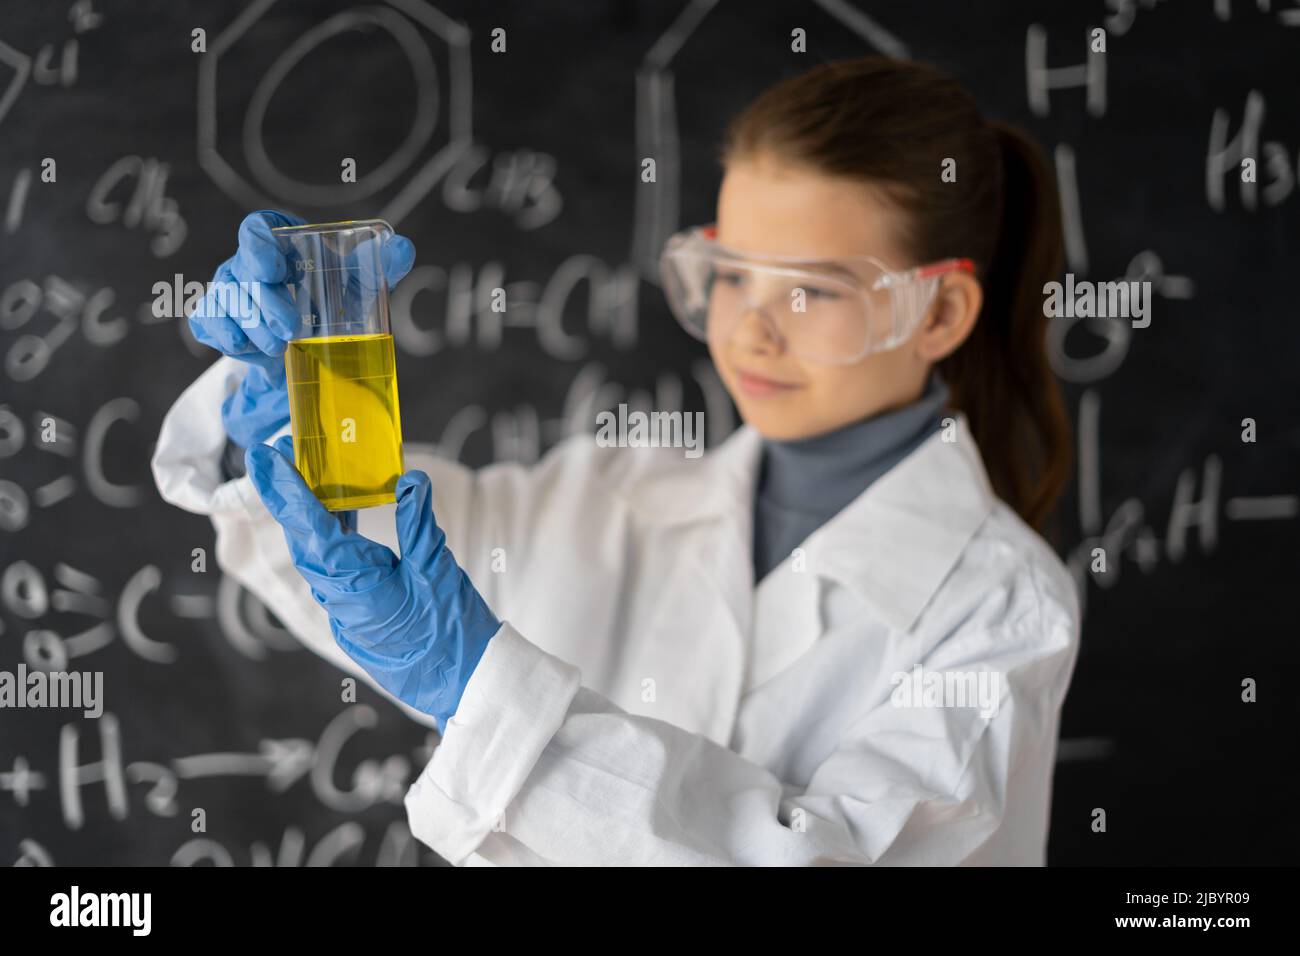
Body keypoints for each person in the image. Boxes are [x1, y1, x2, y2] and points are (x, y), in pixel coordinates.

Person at [152, 56, 1081, 866]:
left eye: (809, 291)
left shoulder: (1001, 611)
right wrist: (274, 410)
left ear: (940, 314)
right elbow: (368, 533)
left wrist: (481, 686)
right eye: (731, 275)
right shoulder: (613, 493)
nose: (747, 330)